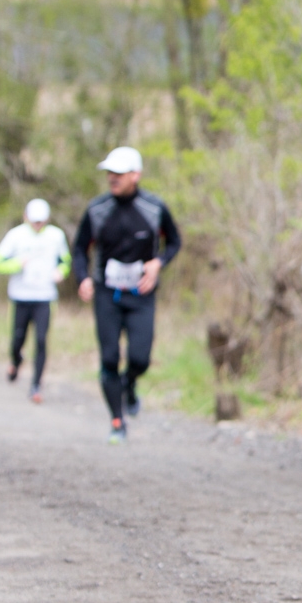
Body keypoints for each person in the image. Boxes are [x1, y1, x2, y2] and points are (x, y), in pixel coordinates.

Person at [72, 146, 180, 443]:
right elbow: (80, 248)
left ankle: (130, 384)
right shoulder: (97, 210)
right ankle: (117, 421)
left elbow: (174, 243)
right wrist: (83, 279)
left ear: (136, 175)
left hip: (141, 293)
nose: (112, 178)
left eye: (119, 173)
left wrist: (158, 264)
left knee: (139, 358)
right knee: (109, 358)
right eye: (109, 173)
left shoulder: (154, 208)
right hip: (107, 294)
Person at [0, 198, 70, 403]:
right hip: (20, 296)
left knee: (42, 340)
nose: (37, 225)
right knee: (18, 338)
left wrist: (61, 271)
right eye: (34, 221)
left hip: (45, 297)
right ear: (26, 217)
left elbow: (65, 261)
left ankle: (36, 385)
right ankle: (16, 360)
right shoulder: (15, 235)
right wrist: (16, 264)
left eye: (41, 221)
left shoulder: (56, 236)